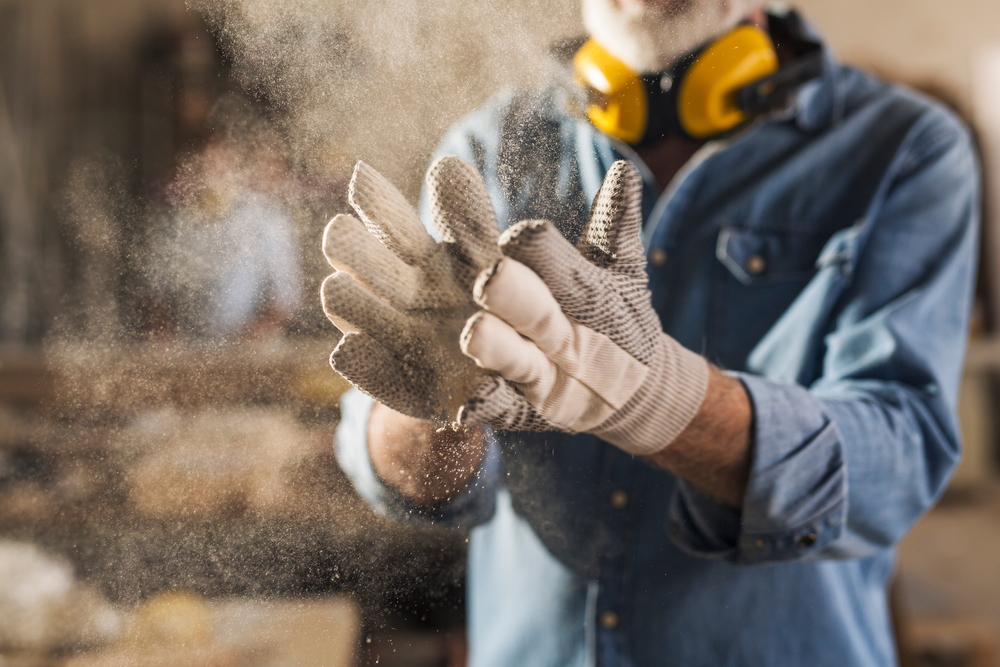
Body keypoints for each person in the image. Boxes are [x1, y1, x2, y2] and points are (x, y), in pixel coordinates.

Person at [327, 1, 980, 665]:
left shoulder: (903, 149)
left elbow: (896, 469)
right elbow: (401, 477)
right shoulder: (492, 146)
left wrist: (661, 400)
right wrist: (429, 408)